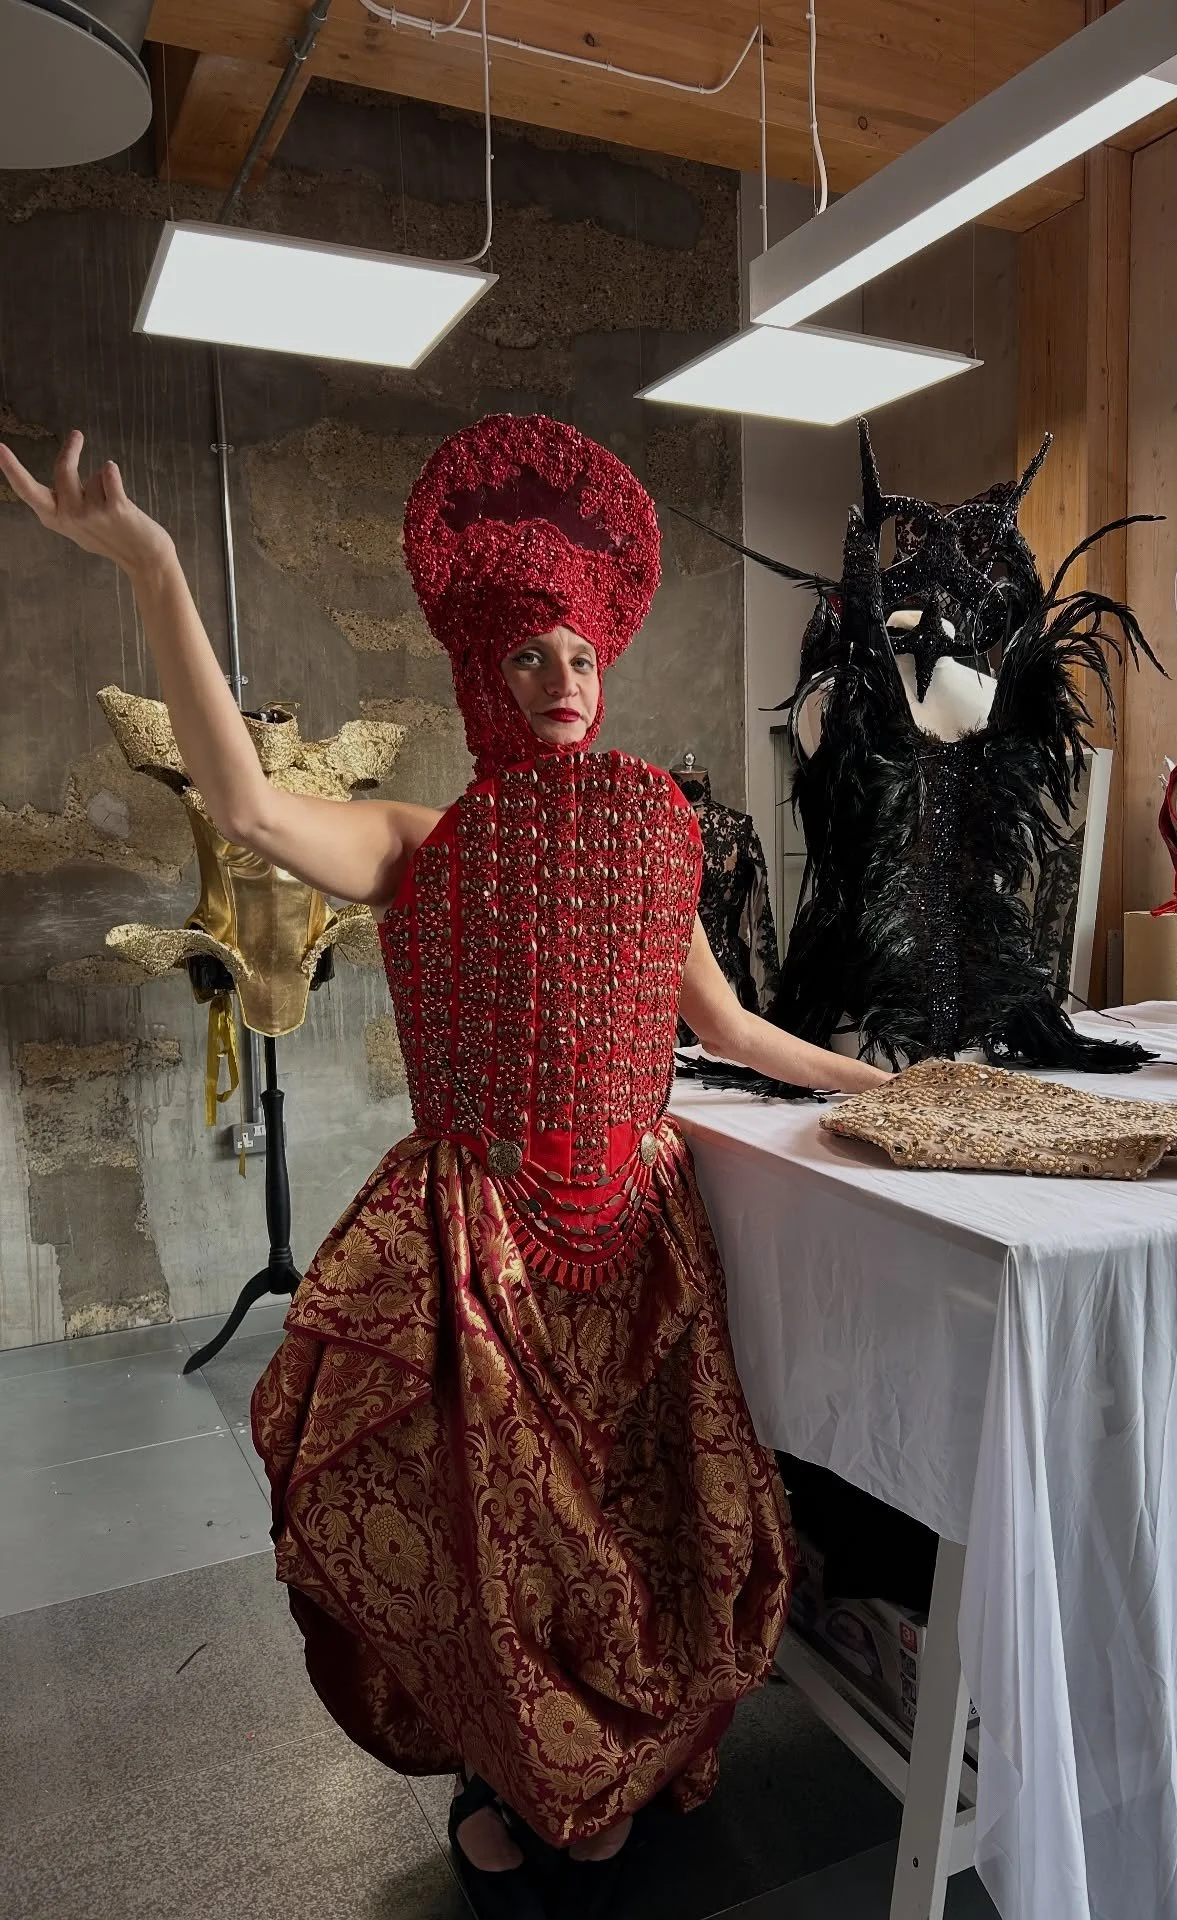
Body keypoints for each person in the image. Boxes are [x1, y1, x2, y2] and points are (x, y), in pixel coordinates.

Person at [0, 417, 888, 1920]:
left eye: (581, 659)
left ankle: (609, 1764)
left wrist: (887, 1086)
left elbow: (729, 1021)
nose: (560, 683)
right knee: (511, 1537)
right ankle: (533, 1778)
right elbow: (253, 808)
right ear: (483, 670)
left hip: (645, 1234)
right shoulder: (424, 839)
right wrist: (154, 570)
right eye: (531, 656)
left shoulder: (660, 824)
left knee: (652, 1521)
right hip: (485, 1250)